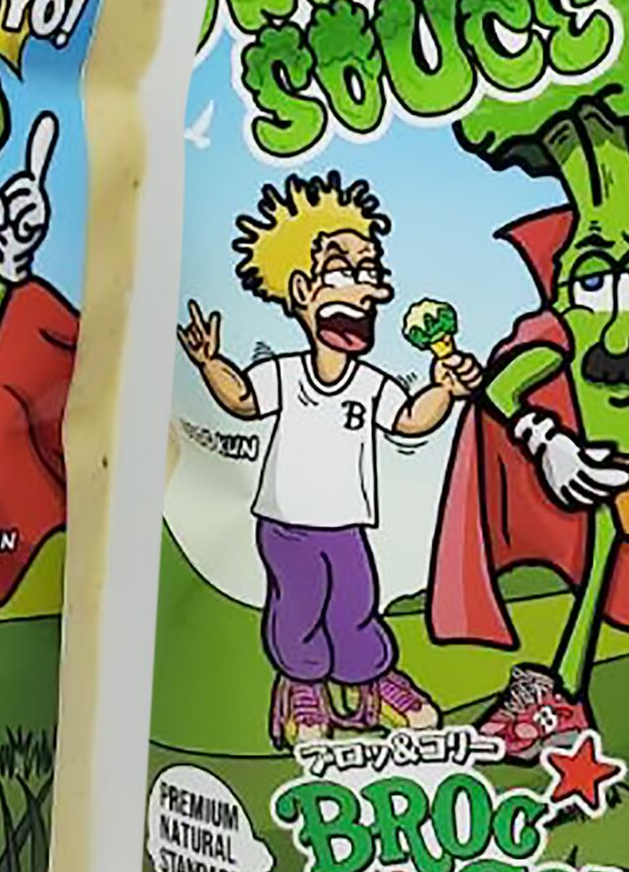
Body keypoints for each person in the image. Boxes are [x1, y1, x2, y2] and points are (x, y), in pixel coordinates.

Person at [177, 168, 476, 752]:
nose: (366, 291)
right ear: (300, 293)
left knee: (354, 606)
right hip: (286, 527)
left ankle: (372, 682)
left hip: (347, 526)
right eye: (342, 273)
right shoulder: (285, 374)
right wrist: (209, 362)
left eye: (369, 273)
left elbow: (409, 420)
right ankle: (302, 686)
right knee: (298, 608)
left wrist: (443, 388)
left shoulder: (370, 382)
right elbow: (242, 402)